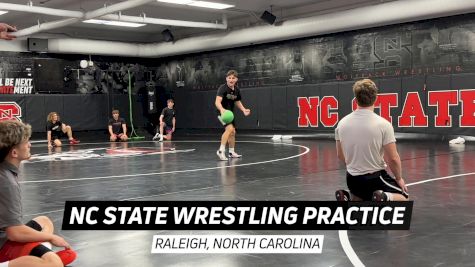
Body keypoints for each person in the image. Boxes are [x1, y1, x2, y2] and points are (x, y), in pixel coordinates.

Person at [0, 120, 77, 267]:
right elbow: (14, 233)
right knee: (53, 263)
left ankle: (37, 257)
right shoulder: (6, 181)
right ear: (14, 152)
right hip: (4, 241)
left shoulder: (5, 170)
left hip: (4, 236)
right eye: (26, 142)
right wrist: (51, 238)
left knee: (44, 221)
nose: (29, 145)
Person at [334, 79, 409, 201]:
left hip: (352, 179)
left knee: (360, 198)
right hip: (374, 179)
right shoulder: (383, 124)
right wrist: (399, 178)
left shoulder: (341, 124)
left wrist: (356, 166)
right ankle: (384, 197)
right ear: (375, 98)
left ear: (356, 98)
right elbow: (393, 158)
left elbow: (340, 155)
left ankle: (347, 196)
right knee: (404, 197)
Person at [214, 70, 251, 160]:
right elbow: (217, 102)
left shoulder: (237, 90)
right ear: (226, 79)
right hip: (222, 113)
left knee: (233, 132)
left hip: (230, 113)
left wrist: (243, 110)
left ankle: (231, 152)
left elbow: (237, 101)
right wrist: (222, 110)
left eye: (233, 78)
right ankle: (221, 151)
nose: (231, 80)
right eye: (229, 78)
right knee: (229, 129)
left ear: (236, 79)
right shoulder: (223, 88)